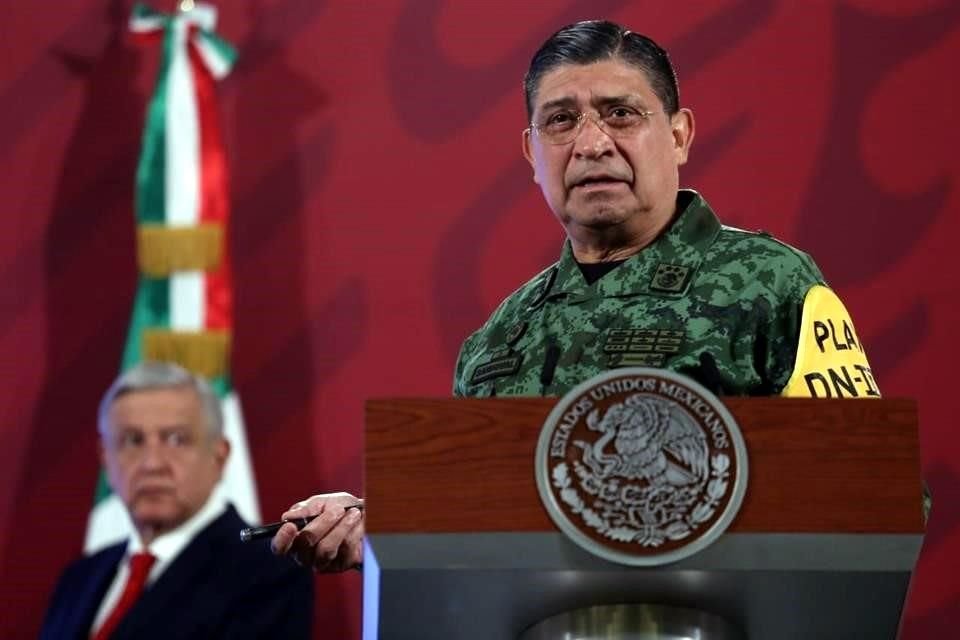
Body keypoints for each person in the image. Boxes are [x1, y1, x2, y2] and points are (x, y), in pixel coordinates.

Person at [270, 19, 880, 572]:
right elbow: (476, 524)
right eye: (561, 120)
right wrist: (383, 522)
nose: (590, 144)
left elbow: (871, 489)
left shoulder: (772, 283)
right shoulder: (499, 338)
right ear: (531, 152)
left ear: (679, 136)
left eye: (621, 114)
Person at [40, 361, 313, 639]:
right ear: (105, 459)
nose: (152, 463)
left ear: (220, 455)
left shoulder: (267, 573)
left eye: (176, 439)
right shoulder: (79, 577)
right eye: (133, 440)